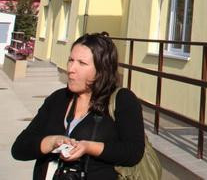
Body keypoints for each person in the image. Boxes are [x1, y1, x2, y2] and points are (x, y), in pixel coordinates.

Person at [12, 32, 146, 179]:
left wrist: (88, 147)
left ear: (102, 70)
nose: (71, 69)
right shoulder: (58, 99)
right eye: (71, 60)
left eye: (82, 63)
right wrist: (52, 142)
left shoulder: (122, 100)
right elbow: (19, 149)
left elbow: (133, 152)